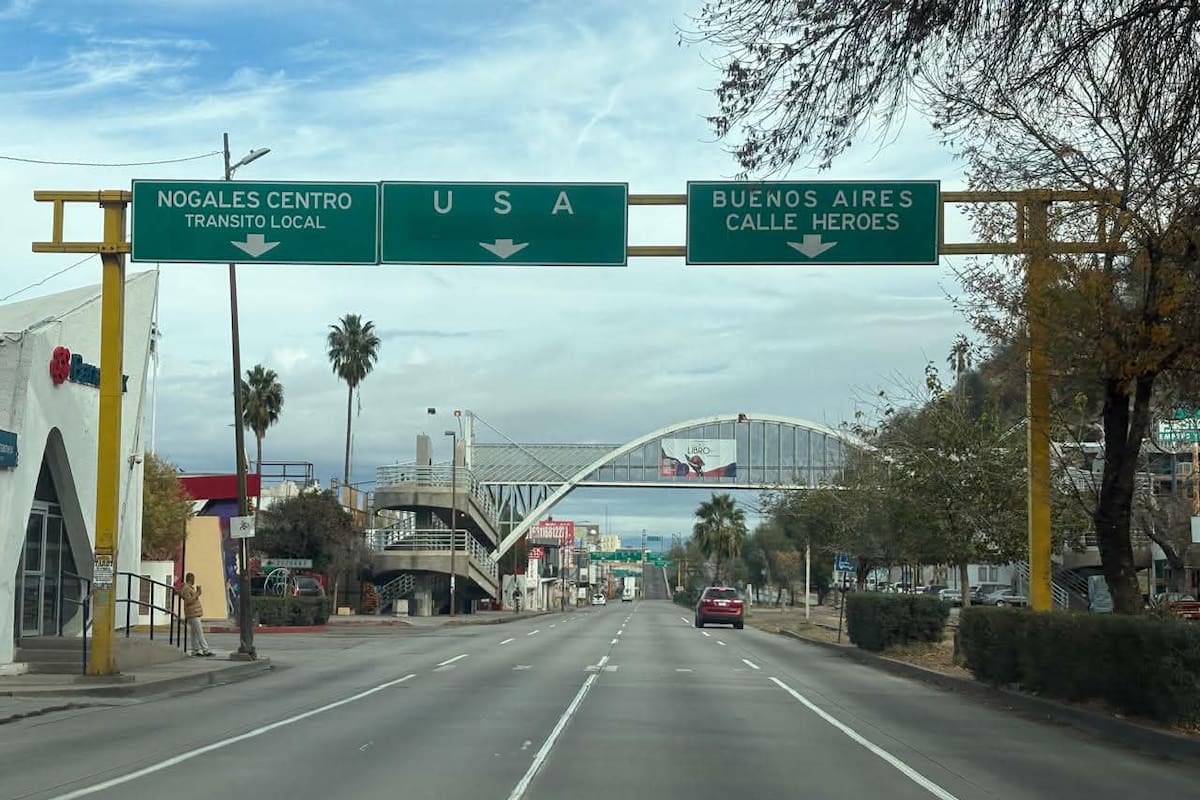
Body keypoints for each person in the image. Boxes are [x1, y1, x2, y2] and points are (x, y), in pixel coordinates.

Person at [178, 573, 214, 657]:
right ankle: (205, 650)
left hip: (193, 613)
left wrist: (196, 593)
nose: (194, 580)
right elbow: (188, 601)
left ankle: (195, 650)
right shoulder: (187, 589)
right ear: (190, 579)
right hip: (193, 613)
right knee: (199, 632)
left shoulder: (188, 588)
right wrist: (197, 593)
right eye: (193, 579)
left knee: (194, 633)